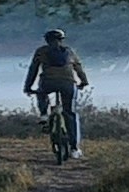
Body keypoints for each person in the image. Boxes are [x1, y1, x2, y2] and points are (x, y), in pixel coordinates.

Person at [24, 29, 88, 160]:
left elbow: (33, 70)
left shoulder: (41, 51)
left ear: (47, 40)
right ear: (61, 40)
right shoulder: (70, 51)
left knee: (41, 92)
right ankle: (74, 148)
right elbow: (79, 68)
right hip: (68, 84)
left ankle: (44, 114)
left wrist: (28, 87)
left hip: (48, 83)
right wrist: (84, 82)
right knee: (70, 113)